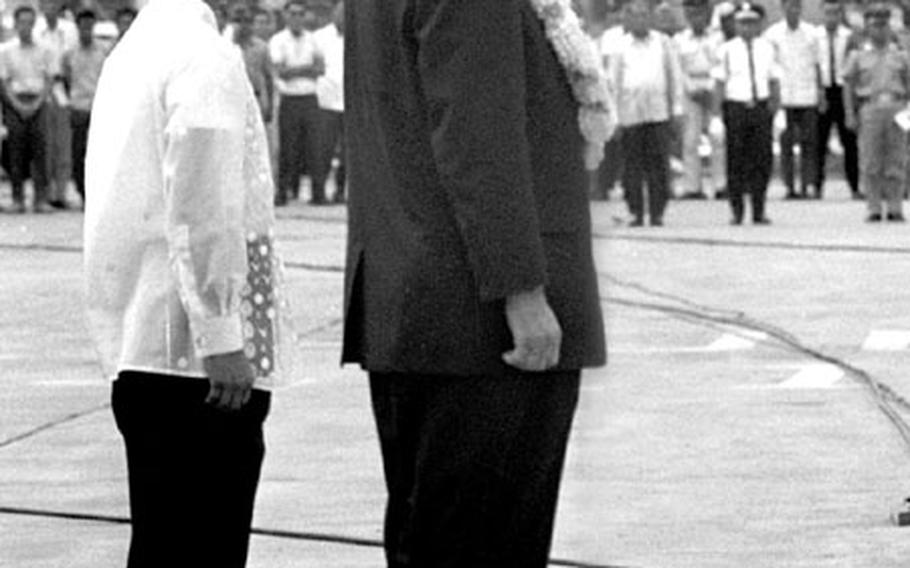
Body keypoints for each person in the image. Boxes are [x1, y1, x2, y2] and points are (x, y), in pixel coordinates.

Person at [344, 0, 608, 566]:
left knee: (432, 539)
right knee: (490, 543)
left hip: (416, 304)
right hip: (482, 323)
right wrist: (522, 288)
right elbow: (478, 137)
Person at [84, 0, 286, 564]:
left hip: (142, 347)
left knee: (160, 542)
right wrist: (223, 336)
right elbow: (205, 205)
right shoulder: (204, 56)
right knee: (204, 544)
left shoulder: (132, 52)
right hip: (197, 364)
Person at [610, 0, 684, 226]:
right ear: (628, 19)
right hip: (630, 114)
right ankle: (635, 211)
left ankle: (657, 212)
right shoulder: (620, 47)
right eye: (635, 15)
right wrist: (614, 117)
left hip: (657, 112)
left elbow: (674, 77)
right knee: (632, 166)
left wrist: (677, 110)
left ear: (650, 18)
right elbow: (613, 83)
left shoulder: (663, 43)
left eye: (644, 15)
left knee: (658, 165)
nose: (640, 19)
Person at [713, 2, 780, 225]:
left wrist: (775, 109)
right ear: (735, 24)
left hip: (760, 107)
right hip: (737, 107)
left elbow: (773, 79)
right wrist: (716, 115)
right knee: (736, 160)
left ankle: (759, 209)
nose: (747, 28)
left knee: (762, 159)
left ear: (758, 24)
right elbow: (720, 83)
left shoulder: (767, 48)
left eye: (751, 23)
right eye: (742, 23)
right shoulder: (726, 50)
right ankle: (737, 210)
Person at [843, 3, 910, 222]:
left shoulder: (901, 56)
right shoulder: (858, 55)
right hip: (870, 107)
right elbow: (848, 86)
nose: (879, 30)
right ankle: (873, 207)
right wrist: (850, 114)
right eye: (875, 26)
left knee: (896, 160)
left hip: (896, 107)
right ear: (867, 28)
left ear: (889, 28)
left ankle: (894, 206)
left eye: (883, 25)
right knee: (870, 160)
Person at [0, 5, 57, 214]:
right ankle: (17, 198)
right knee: (15, 151)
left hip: (39, 101)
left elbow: (49, 79)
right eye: (22, 22)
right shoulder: (6, 50)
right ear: (15, 24)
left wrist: (37, 103)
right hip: (14, 102)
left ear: (34, 23)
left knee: (40, 150)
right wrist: (17, 105)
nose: (26, 26)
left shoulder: (44, 49)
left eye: (30, 22)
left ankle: (41, 199)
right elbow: (4, 82)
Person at [765, 0, 823, 200]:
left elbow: (817, 65)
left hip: (807, 95)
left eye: (797, 6)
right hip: (785, 96)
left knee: (809, 144)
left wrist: (821, 93)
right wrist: (773, 98)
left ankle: (807, 185)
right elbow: (769, 68)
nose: (793, 10)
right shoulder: (772, 34)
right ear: (783, 8)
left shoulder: (812, 33)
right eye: (789, 6)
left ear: (801, 9)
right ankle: (790, 186)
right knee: (786, 145)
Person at [269, 0, 326, 205]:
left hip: (310, 98)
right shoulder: (278, 40)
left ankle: (318, 194)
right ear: (286, 16)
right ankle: (282, 192)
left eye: (301, 14)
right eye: (293, 14)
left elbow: (320, 69)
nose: (297, 18)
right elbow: (279, 72)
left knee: (315, 148)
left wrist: (294, 70)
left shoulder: (313, 39)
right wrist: (305, 69)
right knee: (287, 148)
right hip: (290, 99)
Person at [676, 0, 726, 200]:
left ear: (707, 13)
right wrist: (692, 90)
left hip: (713, 89)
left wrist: (710, 91)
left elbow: (721, 65)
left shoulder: (718, 38)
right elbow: (678, 69)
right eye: (691, 12)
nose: (695, 16)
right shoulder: (680, 40)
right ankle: (692, 186)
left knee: (718, 138)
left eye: (699, 12)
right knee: (690, 141)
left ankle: (721, 184)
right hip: (690, 92)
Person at [61, 8, 106, 206]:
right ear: (78, 27)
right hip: (78, 107)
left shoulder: (104, 51)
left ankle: (98, 194)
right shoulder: (69, 53)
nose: (86, 30)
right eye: (83, 26)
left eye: (90, 26)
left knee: (99, 152)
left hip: (99, 107)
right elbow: (66, 79)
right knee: (78, 153)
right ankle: (82, 192)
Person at [816, 0, 860, 200]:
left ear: (839, 14)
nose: (831, 17)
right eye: (827, 13)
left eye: (835, 13)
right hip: (824, 90)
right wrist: (818, 92)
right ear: (822, 14)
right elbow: (814, 65)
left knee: (849, 141)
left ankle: (855, 186)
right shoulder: (815, 36)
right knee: (819, 142)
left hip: (843, 90)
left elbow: (852, 67)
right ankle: (816, 186)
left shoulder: (848, 36)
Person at [36, 0, 77, 210]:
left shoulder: (69, 29)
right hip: (42, 87)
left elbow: (72, 60)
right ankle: (48, 192)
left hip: (63, 88)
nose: (49, 6)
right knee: (46, 144)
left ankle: (61, 193)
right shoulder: (36, 29)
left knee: (63, 143)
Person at [312, 0, 344, 203]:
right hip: (325, 102)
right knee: (323, 149)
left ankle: (341, 191)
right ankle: (318, 192)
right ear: (334, 13)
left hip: (350, 104)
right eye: (340, 11)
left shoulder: (359, 37)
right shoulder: (319, 37)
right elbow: (314, 68)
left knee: (349, 155)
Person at [231, 3, 274, 124]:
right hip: (231, 101)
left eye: (247, 21)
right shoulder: (225, 46)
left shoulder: (261, 47)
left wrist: (269, 106)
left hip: (255, 99)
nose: (243, 25)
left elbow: (268, 77)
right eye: (238, 21)